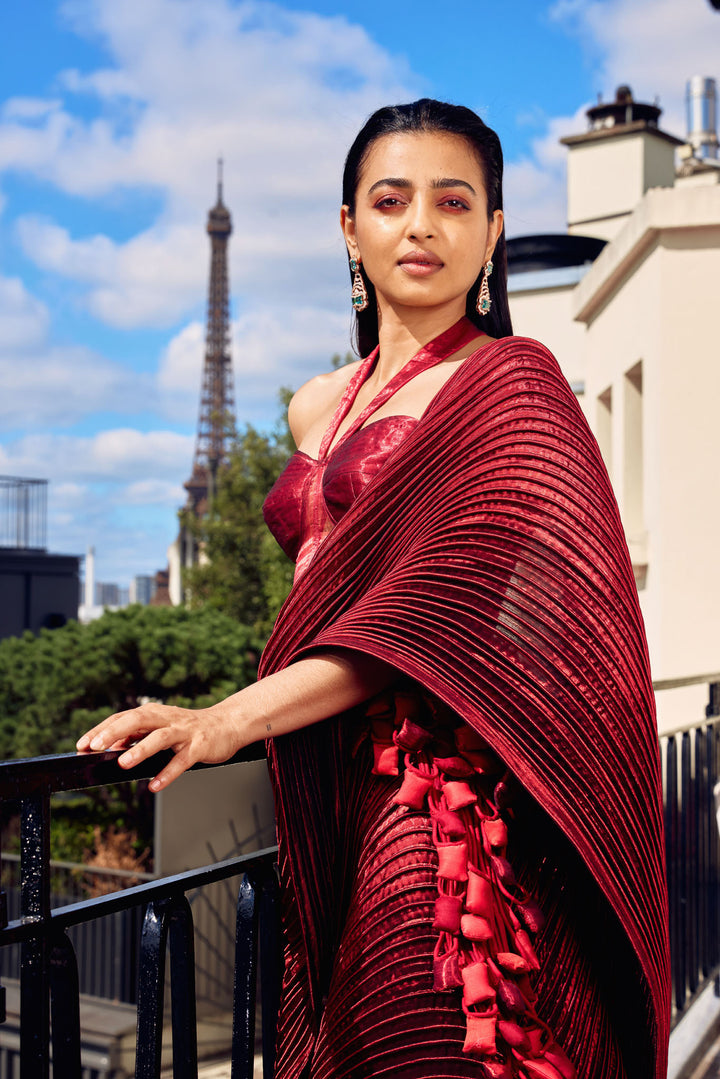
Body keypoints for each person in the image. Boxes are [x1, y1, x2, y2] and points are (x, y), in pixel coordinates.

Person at [78, 99, 670, 1078]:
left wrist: (225, 718)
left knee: (417, 1039)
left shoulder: (512, 383)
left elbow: (420, 615)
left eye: (454, 200)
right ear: (349, 227)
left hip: (428, 794)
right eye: (391, 200)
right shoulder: (322, 399)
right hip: (325, 790)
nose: (422, 225)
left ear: (493, 232)